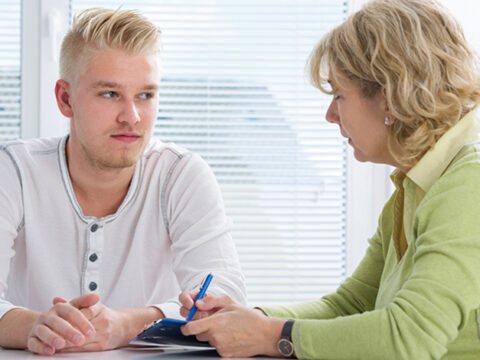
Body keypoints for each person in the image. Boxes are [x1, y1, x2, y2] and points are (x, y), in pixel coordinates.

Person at [179, 0, 480, 359]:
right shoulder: (413, 189)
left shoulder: (469, 184)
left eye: (339, 94)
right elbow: (351, 304)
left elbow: (409, 338)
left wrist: (271, 336)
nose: (330, 115)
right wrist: (247, 320)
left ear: (388, 95)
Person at [0, 7, 246, 356]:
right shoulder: (14, 171)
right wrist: (34, 326)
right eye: (110, 94)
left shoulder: (181, 174)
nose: (131, 117)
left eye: (145, 95)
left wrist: (127, 324)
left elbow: (226, 296)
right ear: (65, 99)